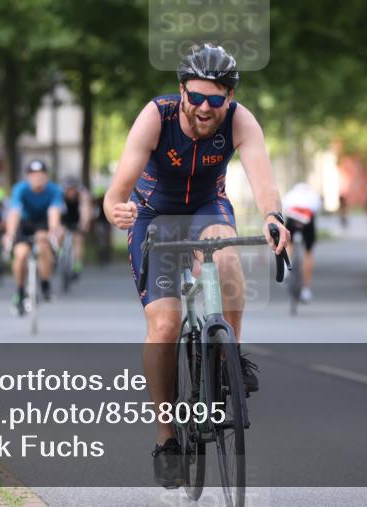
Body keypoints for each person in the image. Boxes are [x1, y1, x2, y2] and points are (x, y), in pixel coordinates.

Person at [102, 42, 288, 489]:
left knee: (225, 251)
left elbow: (263, 178)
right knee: (164, 327)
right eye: (197, 97)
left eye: (216, 100)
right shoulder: (156, 117)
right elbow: (117, 190)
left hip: (208, 207)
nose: (205, 109)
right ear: (181, 91)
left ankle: (231, 356)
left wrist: (273, 217)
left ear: (228, 98)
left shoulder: (241, 120)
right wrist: (114, 208)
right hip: (154, 216)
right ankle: (167, 438)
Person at [3, 159, 65, 309]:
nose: (37, 178)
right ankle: (19, 291)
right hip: (25, 224)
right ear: (28, 177)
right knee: (21, 254)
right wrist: (10, 233)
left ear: (46, 176)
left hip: (43, 223)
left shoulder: (54, 190)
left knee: (43, 246)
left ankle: (45, 285)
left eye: (41, 175)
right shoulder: (20, 189)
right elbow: (14, 211)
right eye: (33, 175)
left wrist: (52, 231)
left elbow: (54, 212)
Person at [283, 181, 322, 302]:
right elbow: (316, 211)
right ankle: (306, 290)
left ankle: (286, 267)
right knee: (308, 252)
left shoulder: (290, 195)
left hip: (292, 219)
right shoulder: (313, 196)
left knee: (288, 243)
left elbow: (285, 209)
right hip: (308, 220)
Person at [61, 177, 94, 278]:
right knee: (60, 233)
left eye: (73, 189)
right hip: (64, 219)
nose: (71, 192)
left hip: (77, 219)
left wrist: (84, 223)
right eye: (68, 190)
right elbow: (56, 211)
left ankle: (77, 264)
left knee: (78, 239)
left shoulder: (82, 195)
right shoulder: (60, 195)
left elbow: (86, 210)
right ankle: (59, 253)